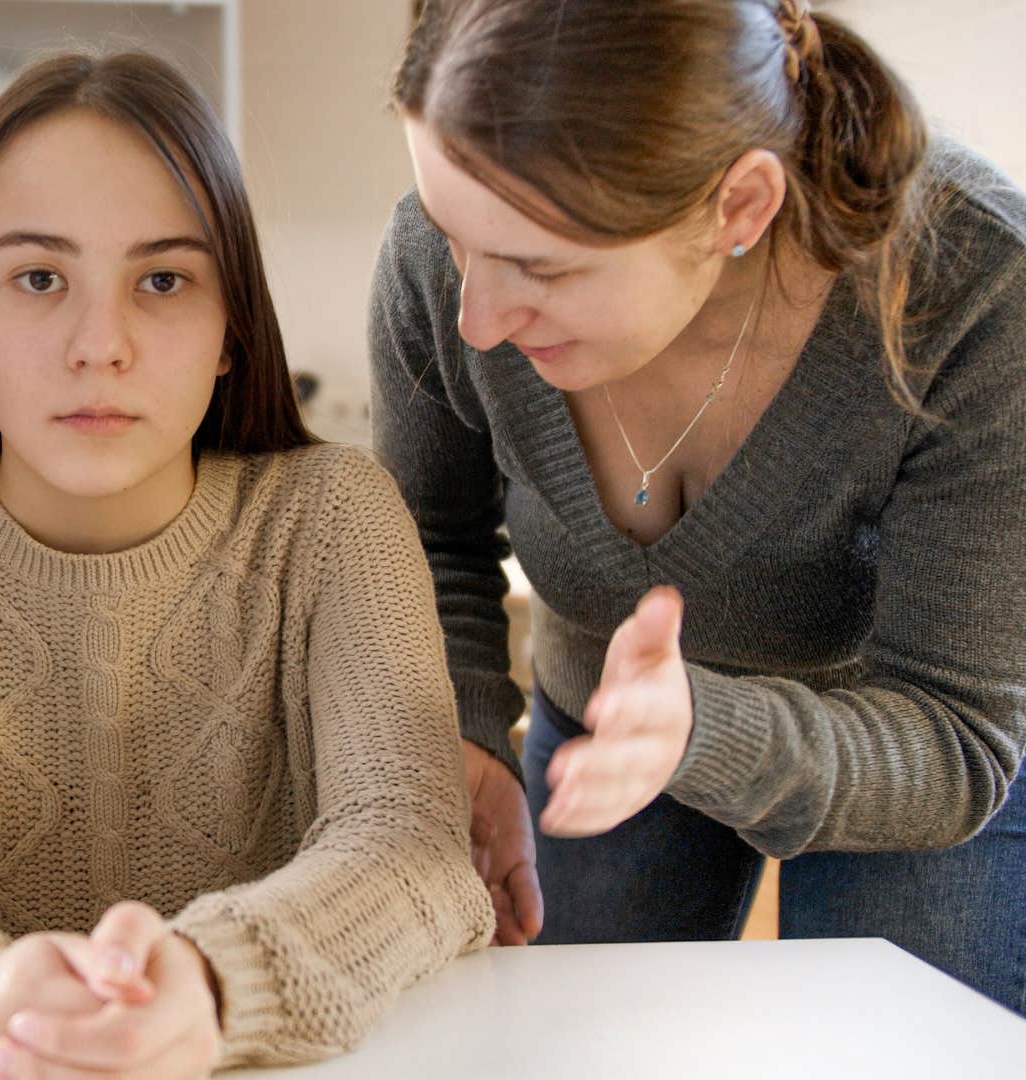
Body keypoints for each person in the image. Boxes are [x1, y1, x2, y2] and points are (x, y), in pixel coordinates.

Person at [0, 50, 494, 1079]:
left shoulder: (334, 519)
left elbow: (412, 842)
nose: (99, 343)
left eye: (163, 279)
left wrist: (203, 987)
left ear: (230, 332)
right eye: (39, 279)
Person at [371, 0, 1026, 1011]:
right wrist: (463, 731)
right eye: (454, 236)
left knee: (890, 1040)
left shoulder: (977, 286)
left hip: (904, 748)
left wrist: (701, 732)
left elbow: (954, 735)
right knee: (570, 1043)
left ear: (740, 208)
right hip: (599, 720)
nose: (478, 318)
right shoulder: (443, 253)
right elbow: (431, 539)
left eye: (543, 268)